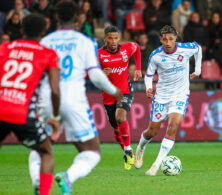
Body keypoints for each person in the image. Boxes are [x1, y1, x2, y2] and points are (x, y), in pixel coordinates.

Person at [28, 1, 123, 195]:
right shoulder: (85, 41)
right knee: (91, 152)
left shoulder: (45, 41)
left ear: (55, 18)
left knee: (40, 147)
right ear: (77, 19)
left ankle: (39, 182)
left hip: (47, 99)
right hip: (73, 100)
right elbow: (95, 75)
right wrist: (114, 91)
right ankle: (68, 177)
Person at [0, 14, 61, 195]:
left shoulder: (4, 48)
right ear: (43, 32)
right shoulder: (48, 54)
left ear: (21, 30)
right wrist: (55, 117)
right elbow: (55, 90)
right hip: (22, 113)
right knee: (46, 152)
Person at [134, 25, 202, 176]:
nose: (168, 42)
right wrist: (148, 88)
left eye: (171, 39)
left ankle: (156, 165)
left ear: (175, 38)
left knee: (173, 125)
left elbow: (198, 48)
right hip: (162, 97)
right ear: (160, 39)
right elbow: (149, 74)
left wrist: (197, 70)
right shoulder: (155, 55)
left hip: (180, 95)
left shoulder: (185, 49)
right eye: (164, 39)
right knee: (152, 131)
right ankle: (140, 148)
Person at [98, 25, 142, 170]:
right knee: (116, 130)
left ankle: (129, 149)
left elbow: (137, 48)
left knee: (121, 117)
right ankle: (126, 152)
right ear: (105, 39)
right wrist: (99, 73)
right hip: (108, 96)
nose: (113, 41)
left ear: (119, 39)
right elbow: (87, 73)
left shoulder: (127, 48)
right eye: (110, 38)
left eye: (116, 38)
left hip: (124, 91)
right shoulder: (98, 54)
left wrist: (138, 68)